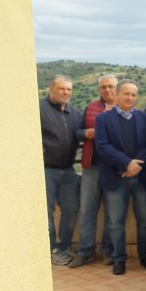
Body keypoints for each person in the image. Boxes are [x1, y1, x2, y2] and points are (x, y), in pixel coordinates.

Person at [95, 80, 146, 275]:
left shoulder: (145, 117)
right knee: (115, 223)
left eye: (133, 94)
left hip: (141, 177)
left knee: (144, 221)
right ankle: (119, 259)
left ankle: (145, 257)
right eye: (126, 93)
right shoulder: (103, 119)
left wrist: (136, 166)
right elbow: (102, 146)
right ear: (117, 94)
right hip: (115, 178)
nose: (130, 97)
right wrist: (126, 163)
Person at [70, 74, 117, 268]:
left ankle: (108, 250)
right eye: (104, 87)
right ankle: (85, 251)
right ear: (99, 90)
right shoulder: (90, 108)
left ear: (117, 88)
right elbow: (77, 133)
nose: (107, 90)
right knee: (87, 211)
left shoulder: (125, 108)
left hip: (114, 169)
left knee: (112, 213)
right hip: (91, 167)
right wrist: (86, 133)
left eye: (111, 86)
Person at [40, 75, 83, 265]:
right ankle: (51, 250)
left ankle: (65, 247)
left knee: (71, 209)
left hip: (68, 170)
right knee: (46, 212)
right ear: (51, 89)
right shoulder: (39, 109)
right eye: (61, 89)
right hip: (46, 169)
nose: (66, 92)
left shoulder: (76, 113)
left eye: (69, 89)